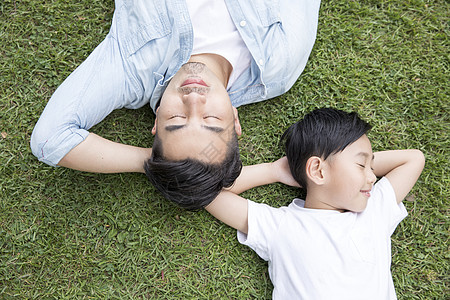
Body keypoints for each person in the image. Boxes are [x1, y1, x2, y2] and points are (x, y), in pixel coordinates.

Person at [30, 0, 321, 210]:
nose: (193, 98)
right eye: (210, 119)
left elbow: (50, 139)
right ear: (235, 119)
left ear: (156, 121)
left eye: (177, 119)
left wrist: (157, 164)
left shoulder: (133, 69)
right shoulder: (278, 65)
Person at [206, 108, 425, 299]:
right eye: (361, 165)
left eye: (372, 167)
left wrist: (360, 161)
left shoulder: (374, 210)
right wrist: (273, 171)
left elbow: (414, 159)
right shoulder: (282, 225)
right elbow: (208, 192)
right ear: (318, 171)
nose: (372, 177)